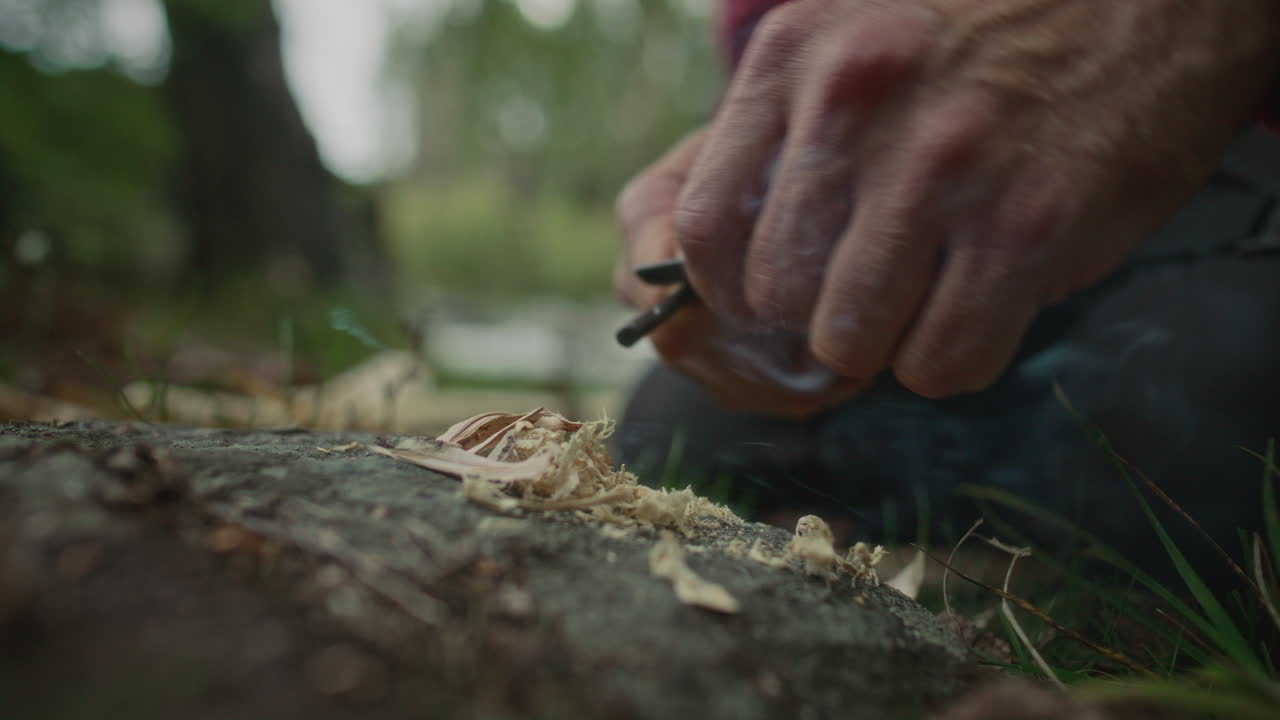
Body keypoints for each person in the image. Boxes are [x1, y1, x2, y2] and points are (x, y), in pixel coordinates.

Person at [613, 0, 1280, 580]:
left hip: (1222, 208)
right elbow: (796, 82)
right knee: (676, 425)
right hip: (921, 283)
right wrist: (761, 204)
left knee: (1200, 397)